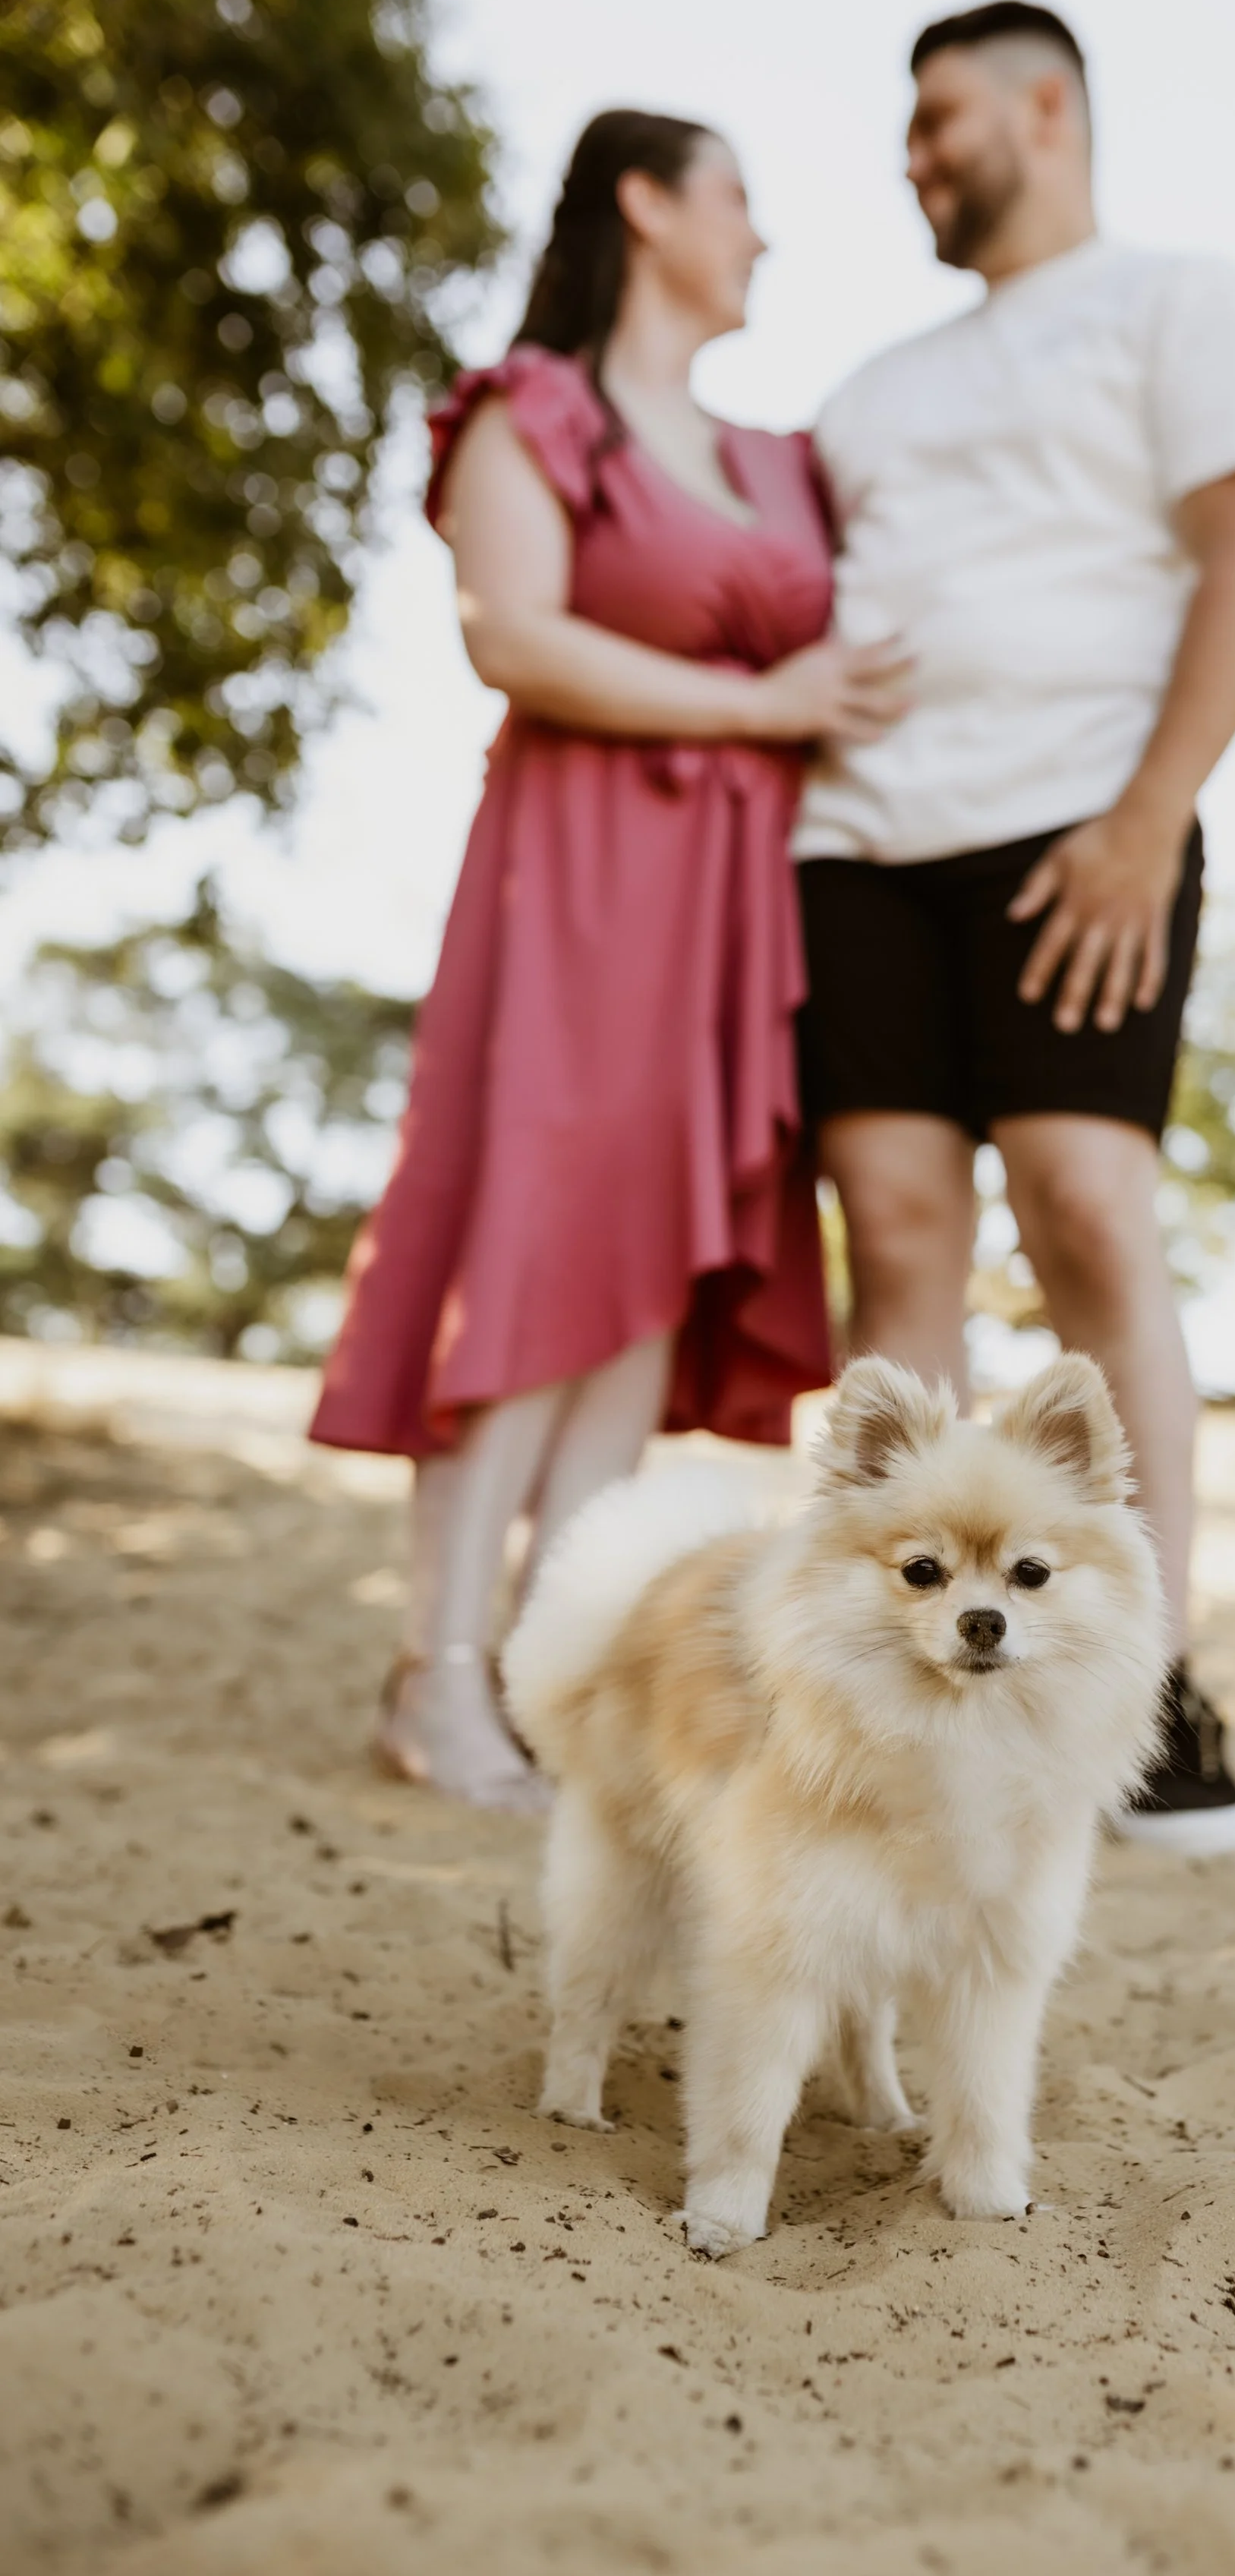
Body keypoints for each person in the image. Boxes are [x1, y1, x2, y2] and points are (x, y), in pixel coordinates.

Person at [309, 111, 909, 1808]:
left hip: (736, 901)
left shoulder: (781, 461)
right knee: (534, 1253)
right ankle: (432, 1673)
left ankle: (539, 1676)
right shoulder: (537, 409)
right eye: (737, 198)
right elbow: (514, 634)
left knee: (644, 1277)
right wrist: (761, 706)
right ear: (644, 206)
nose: (762, 236)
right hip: (581, 874)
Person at [797, 2, 1235, 1856]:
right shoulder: (866, 393)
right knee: (896, 1239)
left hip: (1075, 827)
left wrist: (1147, 816)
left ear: (1045, 106)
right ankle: (893, 1685)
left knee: (1085, 1205)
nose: (914, 153)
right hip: (853, 843)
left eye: (940, 116)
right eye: (906, 125)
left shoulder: (1180, 303)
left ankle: (1143, 1676)